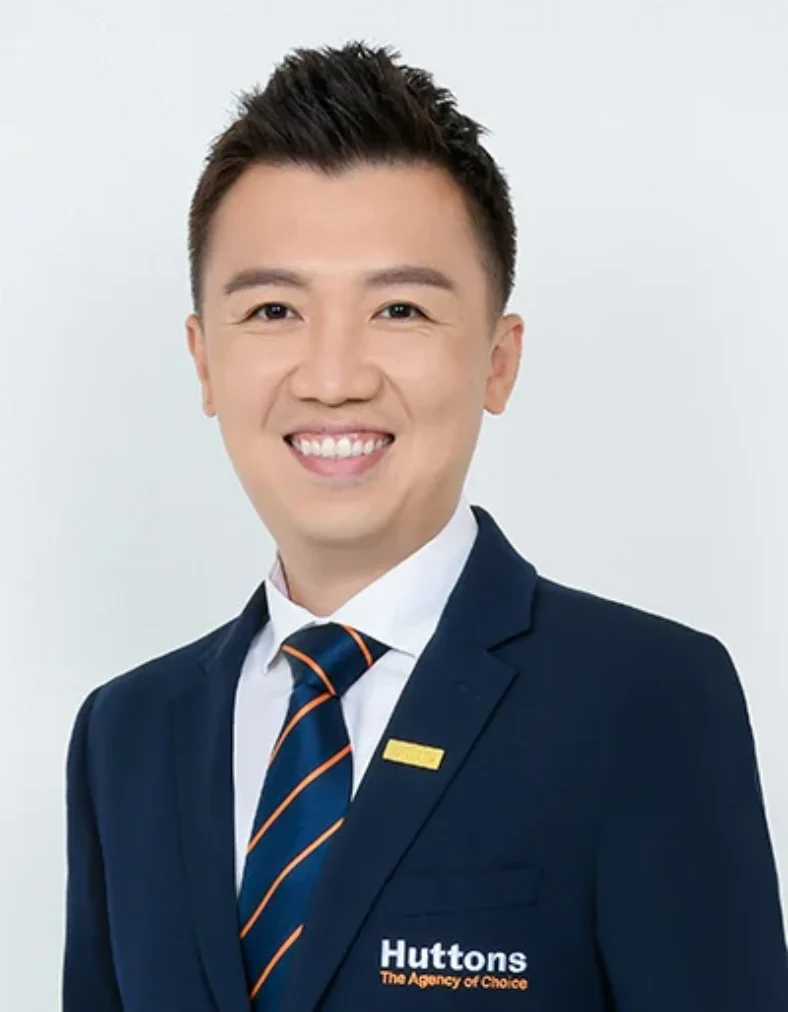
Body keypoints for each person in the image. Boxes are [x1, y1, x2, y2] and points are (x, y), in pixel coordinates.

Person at [62, 40, 788, 1012]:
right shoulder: (126, 735)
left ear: (497, 360)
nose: (332, 378)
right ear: (203, 360)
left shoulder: (643, 701)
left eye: (399, 308)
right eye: (273, 309)